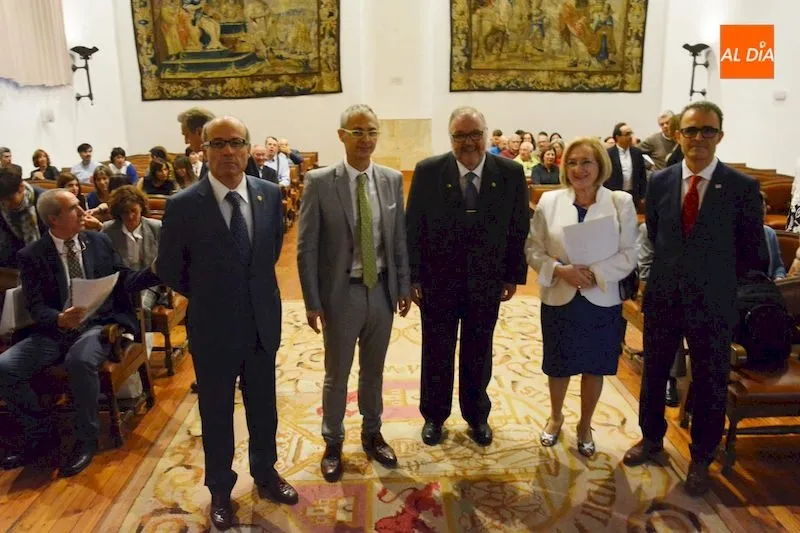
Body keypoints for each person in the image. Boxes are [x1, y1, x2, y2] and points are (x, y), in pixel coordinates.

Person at [157, 116, 297, 529]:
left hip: (260, 322)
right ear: (204, 151)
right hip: (213, 327)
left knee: (263, 408)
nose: (229, 152)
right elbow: (169, 267)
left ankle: (266, 474)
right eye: (219, 144)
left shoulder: (268, 195)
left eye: (237, 143)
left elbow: (267, 253)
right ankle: (220, 489)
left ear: (247, 147)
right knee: (216, 413)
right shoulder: (184, 205)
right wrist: (210, 293)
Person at [623, 101, 768, 497]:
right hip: (665, 299)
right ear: (677, 135)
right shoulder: (661, 181)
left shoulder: (741, 188)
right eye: (691, 130)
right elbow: (655, 234)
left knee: (708, 383)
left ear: (720, 135)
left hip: (715, 303)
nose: (698, 138)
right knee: (653, 375)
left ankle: (702, 457)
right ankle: (651, 440)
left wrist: (718, 286)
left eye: (707, 130)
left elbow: (753, 254)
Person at [0, 189, 160, 476]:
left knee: (80, 360)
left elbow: (124, 279)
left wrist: (155, 271)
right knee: (5, 366)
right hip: (54, 331)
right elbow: (36, 306)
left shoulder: (98, 241)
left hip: (97, 325)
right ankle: (40, 431)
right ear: (54, 219)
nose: (83, 211)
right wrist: (58, 318)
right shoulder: (33, 255)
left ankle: (86, 439)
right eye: (74, 208)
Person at [298, 104, 411, 482]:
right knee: (337, 373)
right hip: (340, 294)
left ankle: (372, 433)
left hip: (380, 289)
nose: (366, 140)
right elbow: (307, 246)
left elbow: (397, 239)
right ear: (342, 135)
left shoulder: (392, 179)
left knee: (375, 370)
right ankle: (332, 441)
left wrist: (404, 283)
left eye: (372, 132)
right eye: (358, 132)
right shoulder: (319, 181)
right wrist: (313, 300)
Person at [405, 106, 529, 447]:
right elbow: (412, 227)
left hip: (486, 281)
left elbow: (519, 227)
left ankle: (477, 416)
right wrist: (413, 277)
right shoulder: (429, 171)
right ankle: (434, 416)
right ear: (451, 138)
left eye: (475, 134)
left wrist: (512, 275)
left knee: (478, 351)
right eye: (460, 136)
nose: (469, 142)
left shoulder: (510, 173)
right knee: (436, 351)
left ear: (486, 134)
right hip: (437, 281)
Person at [526, 137, 638, 457]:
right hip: (560, 294)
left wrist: (595, 274)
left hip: (601, 298)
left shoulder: (620, 202)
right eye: (572, 162)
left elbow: (631, 253)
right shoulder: (550, 201)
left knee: (594, 366)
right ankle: (556, 416)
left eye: (586, 162)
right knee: (559, 364)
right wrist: (560, 270)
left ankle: (585, 424)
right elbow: (533, 249)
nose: (579, 169)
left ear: (600, 165)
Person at [103, 186, 163, 331]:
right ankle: (125, 346)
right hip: (120, 284)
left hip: (149, 283)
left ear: (141, 208)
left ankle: (145, 348)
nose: (130, 216)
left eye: (133, 211)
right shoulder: (108, 230)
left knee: (142, 306)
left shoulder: (156, 227)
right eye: (125, 212)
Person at [0, 166, 48, 268]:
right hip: (15, 261)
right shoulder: (2, 204)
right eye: (2, 200)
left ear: (21, 187)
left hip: (46, 260)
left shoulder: (46, 200)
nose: (6, 204)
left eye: (10, 199)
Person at [606, 122, 647, 210]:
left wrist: (643, 195)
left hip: (634, 195)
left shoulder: (637, 152)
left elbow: (642, 176)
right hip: (614, 195)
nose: (630, 136)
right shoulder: (608, 154)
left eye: (631, 133)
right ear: (618, 137)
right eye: (627, 134)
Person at [177, 107, 215, 180]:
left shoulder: (218, 158)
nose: (186, 142)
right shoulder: (207, 155)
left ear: (199, 132)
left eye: (186, 135)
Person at [761, 192, 787, 280]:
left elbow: (778, 267)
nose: (760, 211)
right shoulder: (734, 234)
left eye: (763, 207)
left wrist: (779, 277)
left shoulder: (769, 233)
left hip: (769, 286)